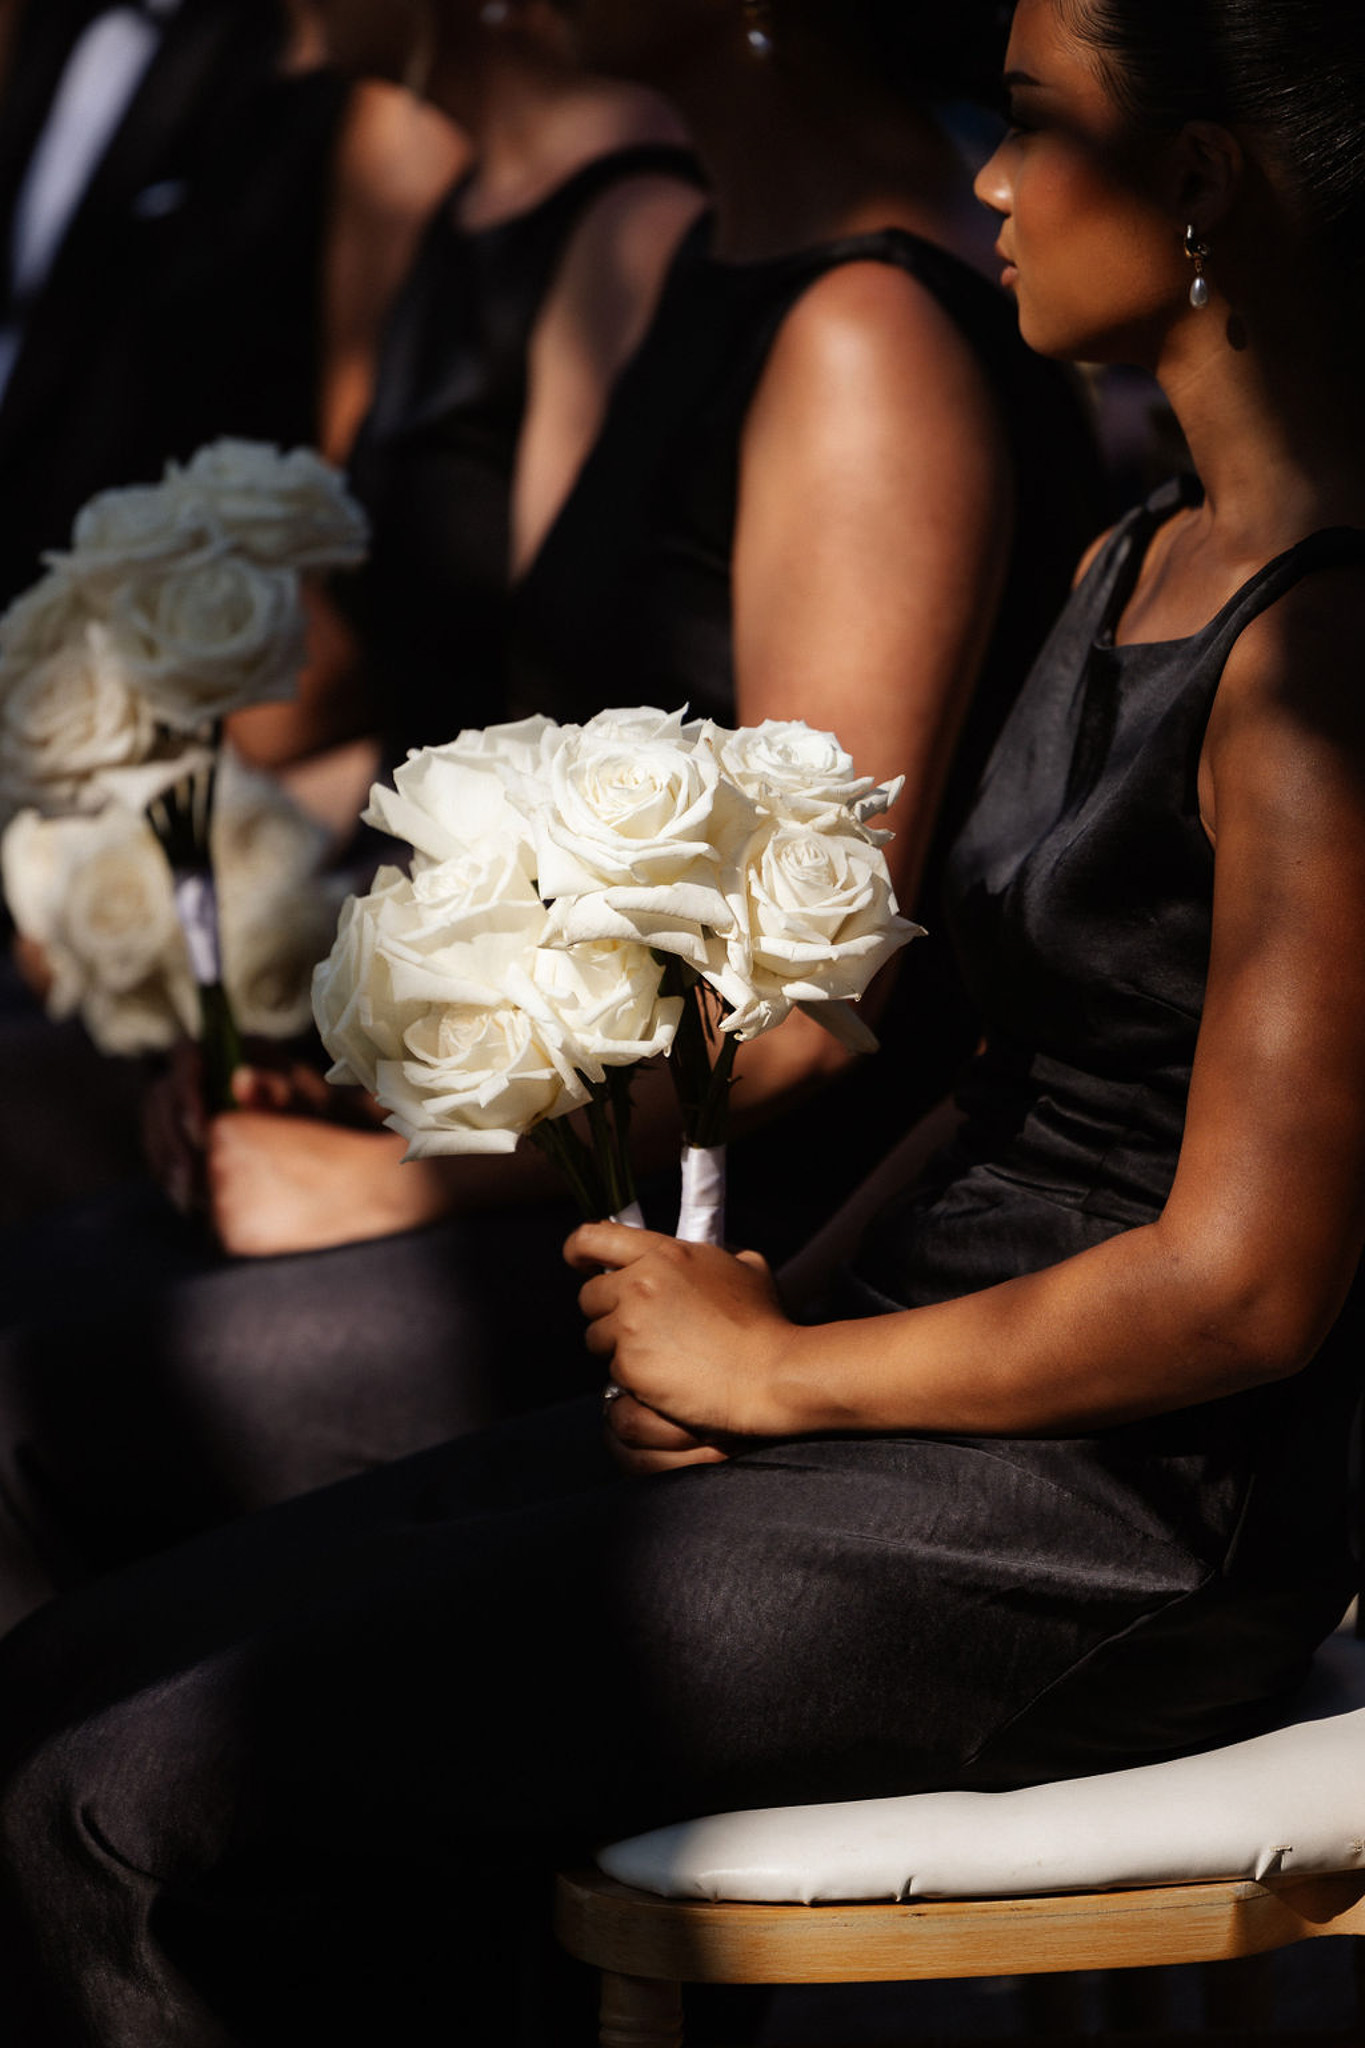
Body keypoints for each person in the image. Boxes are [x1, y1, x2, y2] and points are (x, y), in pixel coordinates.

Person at [4, 0, 1364, 2040]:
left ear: (1190, 186)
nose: (980, 181)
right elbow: (1001, 1071)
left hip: (1100, 1525)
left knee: (121, 1812)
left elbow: (1244, 1284)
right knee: (59, 1707)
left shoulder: (1321, 644)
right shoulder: (1135, 547)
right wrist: (761, 1306)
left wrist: (796, 1382)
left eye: (1026, 128)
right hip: (887, 1393)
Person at [0, 0, 1097, 1629]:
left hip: (751, 1229)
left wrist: (390, 1185)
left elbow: (806, 1004)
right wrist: (330, 1059)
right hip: (595, 1159)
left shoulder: (864, 335)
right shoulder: (694, 278)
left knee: (44, 1395)